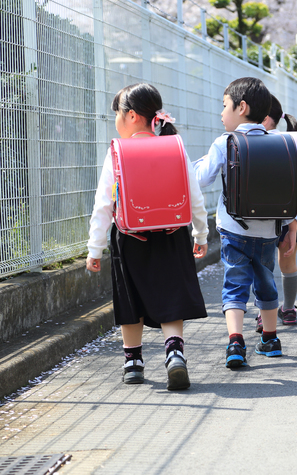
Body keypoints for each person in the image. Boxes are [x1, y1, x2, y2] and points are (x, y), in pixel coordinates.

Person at [86, 83, 209, 391]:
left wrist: (95, 248)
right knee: (172, 297)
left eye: (116, 113)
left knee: (131, 299)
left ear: (130, 116)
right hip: (172, 234)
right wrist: (201, 233)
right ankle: (174, 354)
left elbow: (103, 204)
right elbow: (194, 197)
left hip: (130, 238)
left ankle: (133, 363)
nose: (115, 119)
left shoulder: (117, 152)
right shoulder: (174, 146)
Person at [193, 77, 297, 369]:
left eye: (224, 106)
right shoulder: (280, 142)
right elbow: (287, 188)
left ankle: (236, 342)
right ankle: (271, 338)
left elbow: (200, 180)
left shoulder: (224, 143)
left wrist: (200, 162)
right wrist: (290, 226)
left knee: (235, 286)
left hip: (234, 230)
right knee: (266, 284)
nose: (221, 113)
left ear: (241, 107)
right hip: (268, 233)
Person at [255, 94, 297, 332]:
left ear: (263, 117)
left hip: (262, 212)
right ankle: (289, 309)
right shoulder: (293, 141)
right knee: (288, 262)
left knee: (262, 266)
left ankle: (265, 314)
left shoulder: (259, 143)